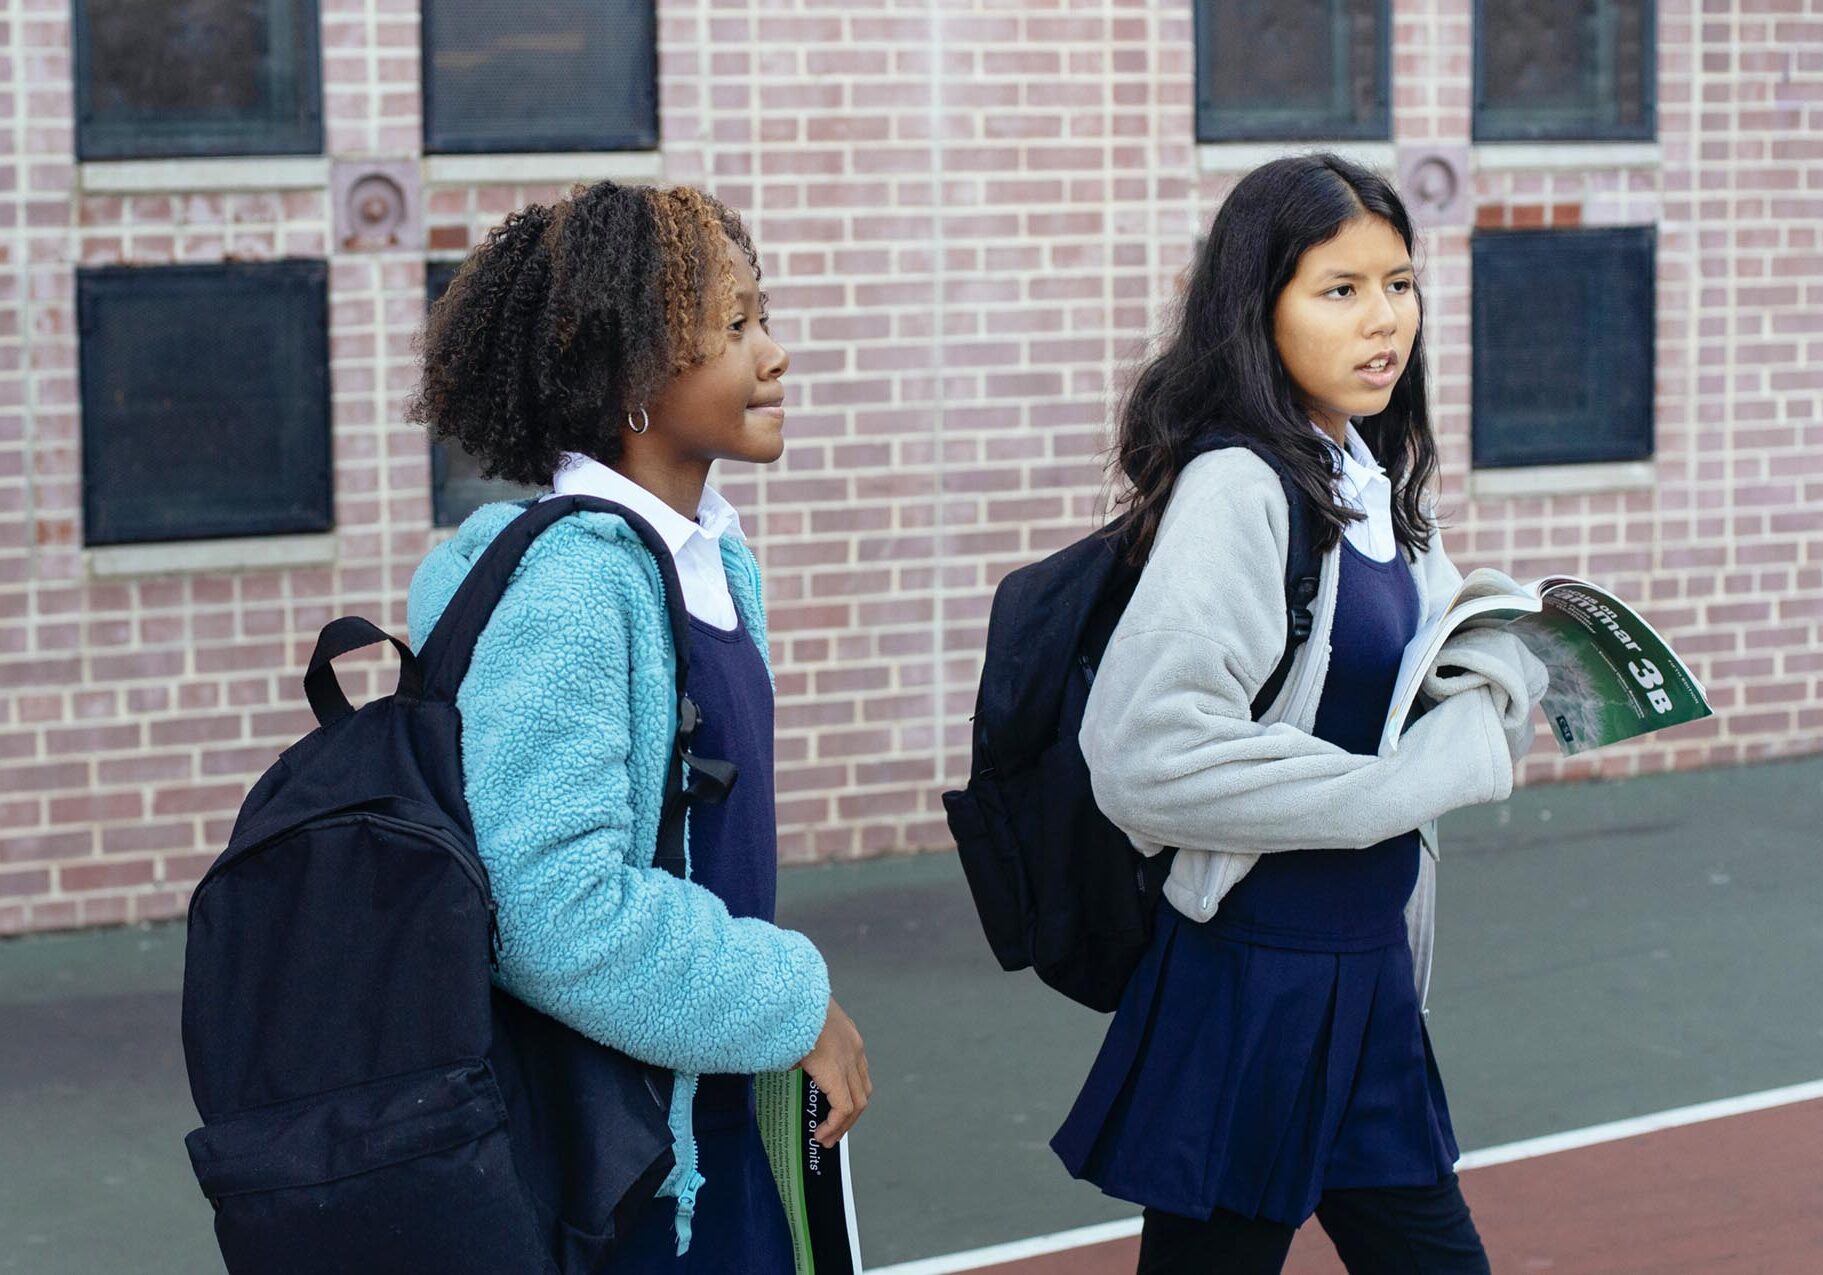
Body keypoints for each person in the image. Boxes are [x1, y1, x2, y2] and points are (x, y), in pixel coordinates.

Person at [1049, 154, 1548, 1274]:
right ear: (1254, 309)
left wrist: (1507, 668)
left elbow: (1438, 681)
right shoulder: (1238, 488)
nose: (1383, 321)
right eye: (1339, 290)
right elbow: (1141, 756)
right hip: (1251, 977)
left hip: (1364, 977)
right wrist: (1397, 788)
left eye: (1399, 283)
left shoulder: (1368, 481)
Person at [405, 180, 870, 1270]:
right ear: (625, 380)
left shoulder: (700, 556)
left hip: (702, 1108)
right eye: (733, 327)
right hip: (619, 1163)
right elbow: (549, 908)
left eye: (764, 315)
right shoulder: (572, 589)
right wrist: (792, 1002)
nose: (775, 354)